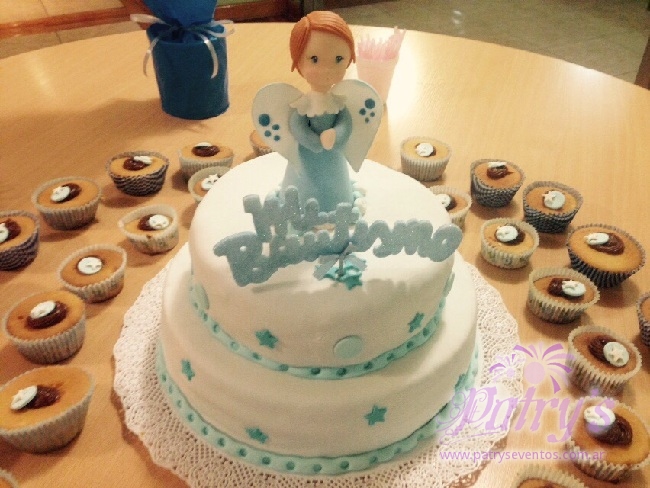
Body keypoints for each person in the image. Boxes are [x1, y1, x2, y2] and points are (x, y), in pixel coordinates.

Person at [252, 11, 382, 213]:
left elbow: (345, 123)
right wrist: (312, 141)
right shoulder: (302, 105)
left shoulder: (339, 103)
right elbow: (297, 125)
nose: (327, 69)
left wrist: (336, 135)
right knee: (302, 186)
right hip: (306, 158)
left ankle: (339, 208)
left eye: (338, 59)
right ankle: (298, 210)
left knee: (337, 189)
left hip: (334, 158)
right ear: (298, 61)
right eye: (314, 59)